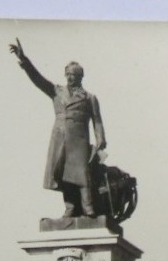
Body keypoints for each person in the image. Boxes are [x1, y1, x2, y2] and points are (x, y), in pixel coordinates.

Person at [9, 38, 107, 218]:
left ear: (81, 76)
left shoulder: (90, 98)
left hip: (79, 139)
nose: (70, 77)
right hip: (60, 137)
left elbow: (97, 121)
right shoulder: (56, 91)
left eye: (74, 74)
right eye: (68, 74)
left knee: (81, 173)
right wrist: (24, 60)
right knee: (62, 173)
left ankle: (88, 207)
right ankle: (70, 208)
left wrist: (100, 138)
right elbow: (37, 79)